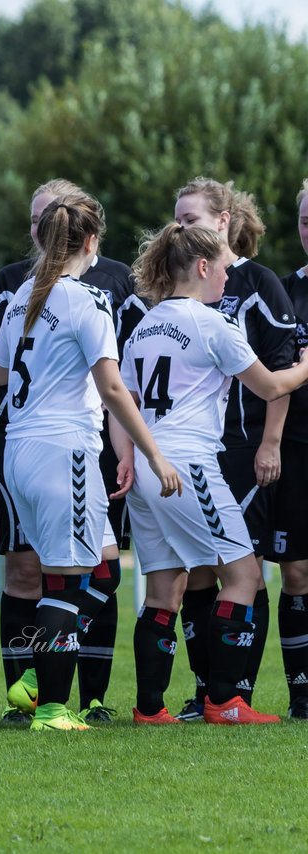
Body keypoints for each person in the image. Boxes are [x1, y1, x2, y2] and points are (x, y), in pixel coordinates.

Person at [0, 190, 182, 732]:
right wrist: (154, 454)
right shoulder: (86, 300)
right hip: (64, 449)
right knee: (64, 577)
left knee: (102, 567)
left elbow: (0, 373)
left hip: (21, 450)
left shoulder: (25, 292)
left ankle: (32, 681)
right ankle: (51, 707)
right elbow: (114, 388)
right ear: (91, 242)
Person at [124, 222, 305, 724]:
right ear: (202, 267)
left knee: (162, 588)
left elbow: (126, 400)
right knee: (244, 574)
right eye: (224, 268)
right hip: (187, 465)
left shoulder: (147, 323)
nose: (229, 278)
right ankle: (225, 701)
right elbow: (270, 386)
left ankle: (149, 708)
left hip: (147, 463)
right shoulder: (212, 324)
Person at [172, 177, 294, 718]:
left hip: (243, 450)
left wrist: (270, 444)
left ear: (223, 222)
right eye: (177, 220)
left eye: (191, 219)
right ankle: (206, 692)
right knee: (196, 573)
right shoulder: (179, 285)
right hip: (189, 450)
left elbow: (283, 368)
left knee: (243, 567)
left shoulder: (258, 283)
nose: (181, 228)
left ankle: (235, 691)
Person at [276, 179, 308, 720]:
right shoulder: (285, 291)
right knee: (297, 572)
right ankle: (302, 692)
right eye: (306, 221)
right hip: (297, 450)